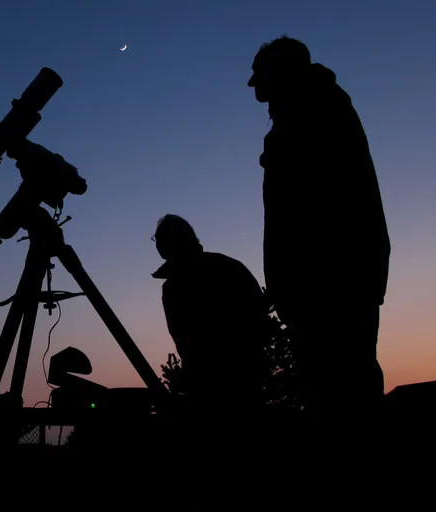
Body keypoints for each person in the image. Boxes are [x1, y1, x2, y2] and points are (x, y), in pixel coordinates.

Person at [247, 36, 391, 431]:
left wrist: (289, 280)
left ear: (280, 71)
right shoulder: (309, 109)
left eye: (258, 75)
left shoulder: (312, 111)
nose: (251, 85)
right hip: (326, 280)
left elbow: (309, 210)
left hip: (330, 281)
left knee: (342, 390)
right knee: (336, 387)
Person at [152, 214, 268, 425]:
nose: (158, 246)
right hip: (232, 378)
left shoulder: (176, 285)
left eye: (159, 240)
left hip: (226, 382)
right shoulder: (230, 266)